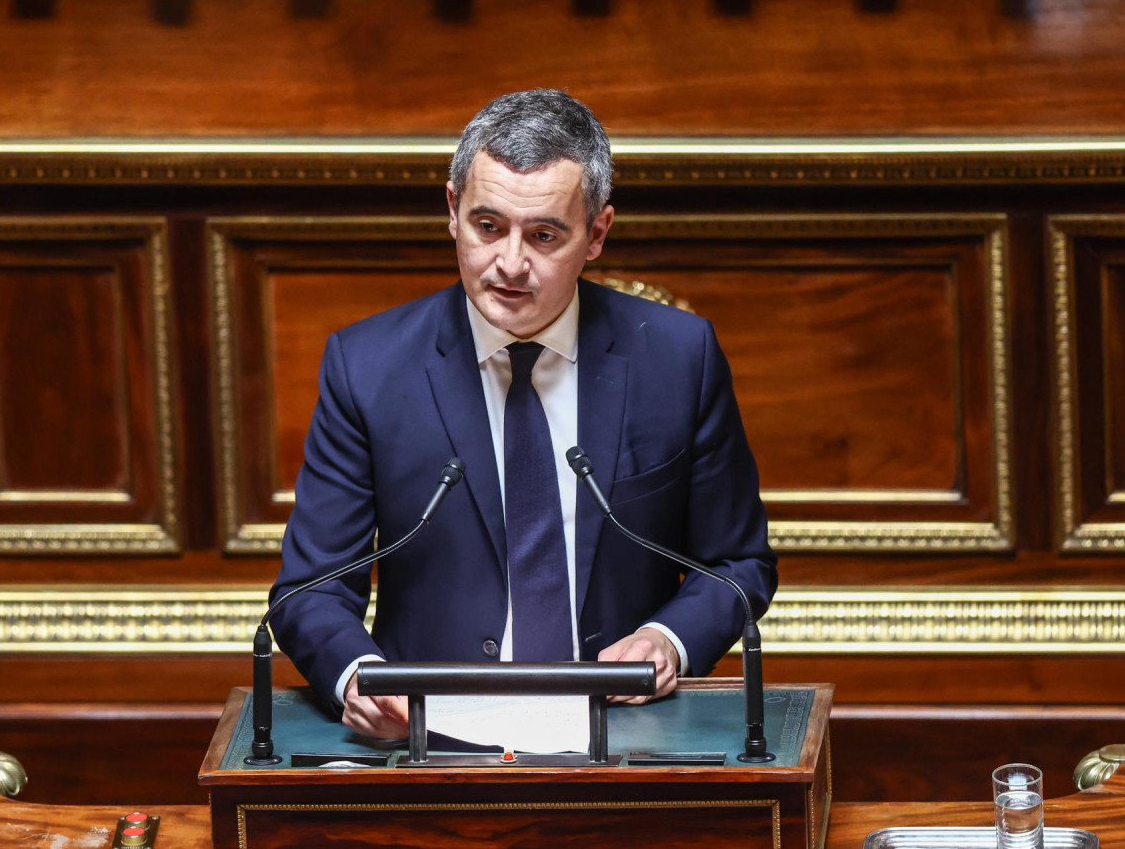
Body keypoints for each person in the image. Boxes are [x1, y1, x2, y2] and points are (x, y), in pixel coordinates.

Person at [270, 89, 777, 739]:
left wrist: (667, 638)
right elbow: (310, 588)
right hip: (425, 735)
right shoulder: (366, 367)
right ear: (452, 210)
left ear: (596, 234)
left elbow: (738, 563)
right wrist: (363, 677)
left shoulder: (678, 358)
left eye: (543, 235)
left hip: (625, 731)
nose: (510, 263)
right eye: (488, 226)